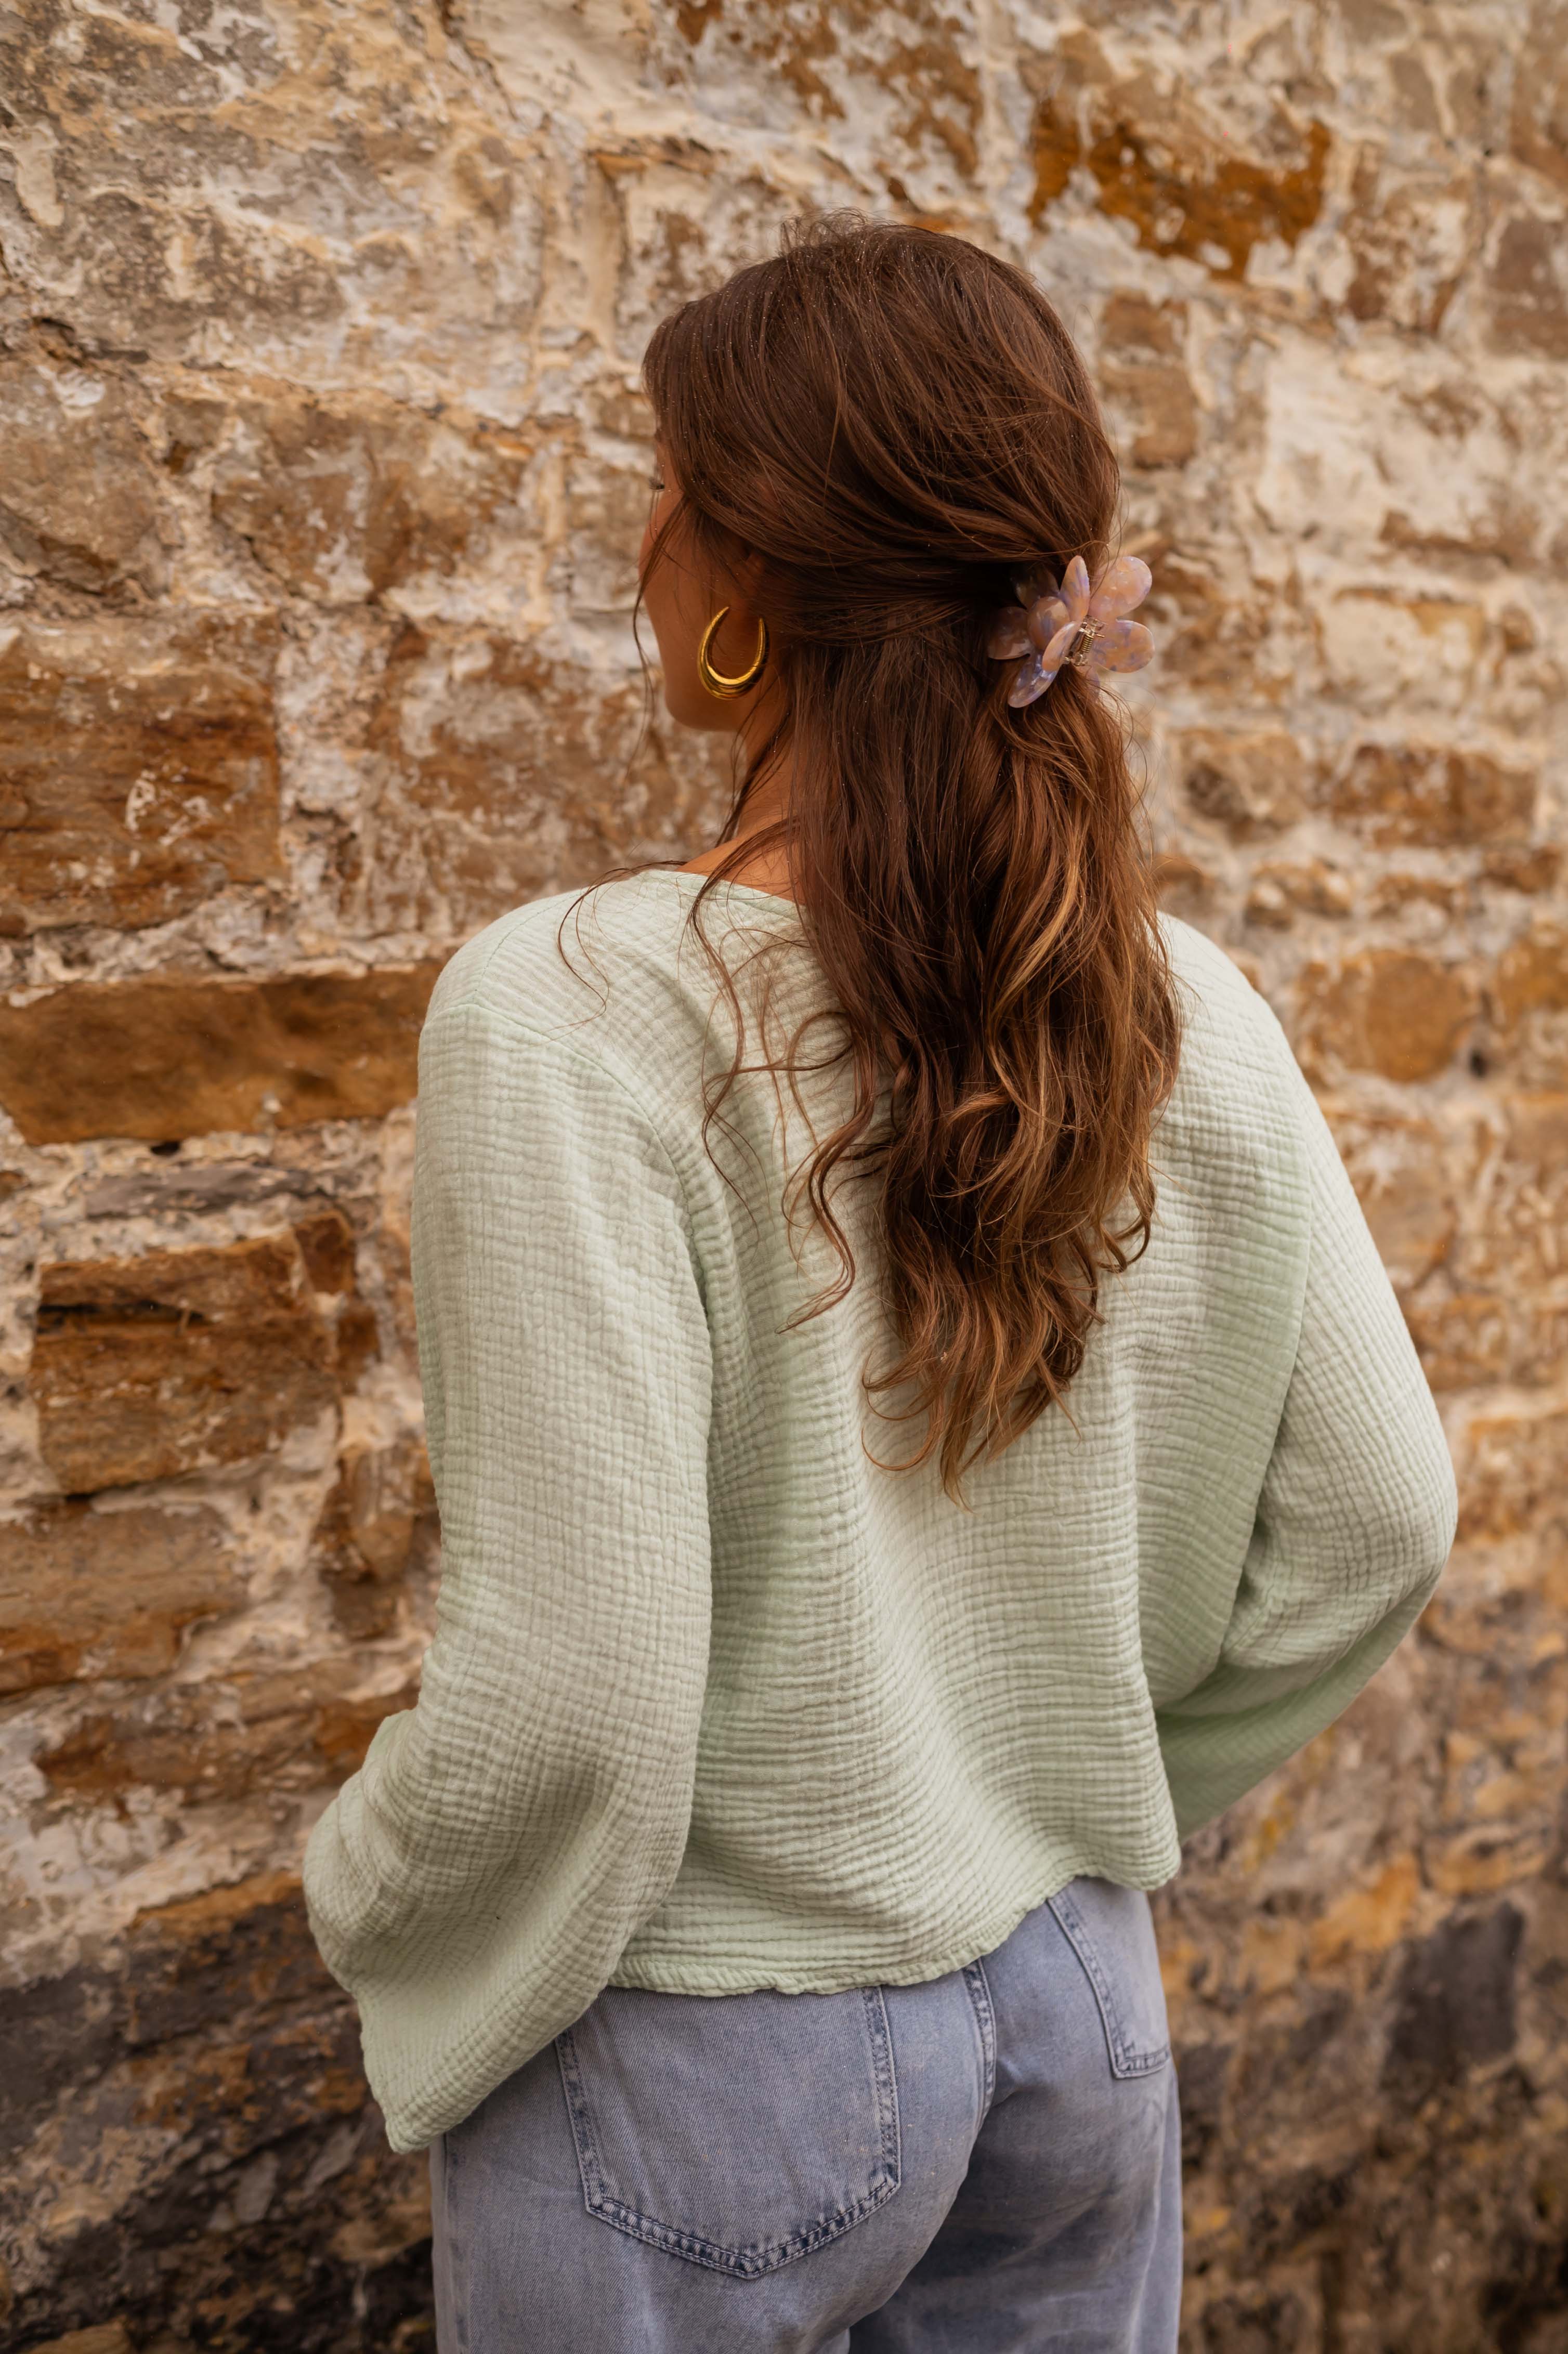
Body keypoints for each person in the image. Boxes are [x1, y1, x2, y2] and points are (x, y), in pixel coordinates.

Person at [303, 216, 1457, 2353]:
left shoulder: (570, 1014)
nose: (638, 530)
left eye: (663, 478)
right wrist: (1071, 1779)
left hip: (705, 2062)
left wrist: (363, 1887)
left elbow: (575, 1698)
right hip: (1076, 2008)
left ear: (744, 585)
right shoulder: (1178, 1003)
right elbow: (1386, 1516)